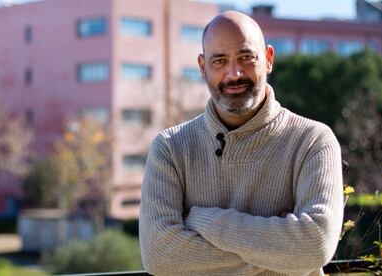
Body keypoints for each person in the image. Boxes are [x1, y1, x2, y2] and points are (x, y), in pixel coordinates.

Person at [139, 10, 343, 276]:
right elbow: (159, 257)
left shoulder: (313, 141)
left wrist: (204, 221)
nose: (233, 73)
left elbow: (314, 247)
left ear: (268, 59)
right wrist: (280, 254)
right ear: (202, 68)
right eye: (219, 61)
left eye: (246, 58)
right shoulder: (170, 149)